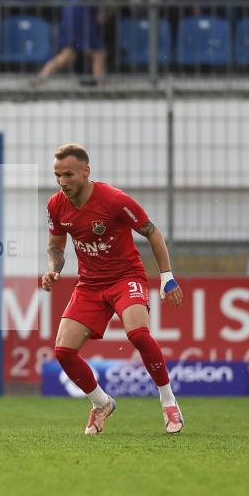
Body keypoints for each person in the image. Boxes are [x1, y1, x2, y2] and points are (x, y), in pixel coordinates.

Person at [42, 144, 185, 435]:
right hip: (89, 284)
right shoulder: (56, 205)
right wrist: (54, 269)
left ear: (86, 171)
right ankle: (101, 403)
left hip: (125, 278)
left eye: (68, 174)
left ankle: (168, 401)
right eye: (57, 175)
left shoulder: (114, 200)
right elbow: (56, 245)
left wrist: (167, 276)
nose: (62, 182)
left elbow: (151, 231)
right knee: (63, 351)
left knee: (138, 334)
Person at [35, 0, 108, 85]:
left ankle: (41, 78)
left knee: (68, 55)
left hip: (76, 15)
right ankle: (102, 87)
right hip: (80, 16)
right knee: (98, 52)